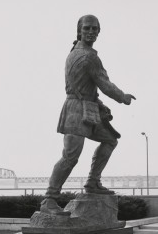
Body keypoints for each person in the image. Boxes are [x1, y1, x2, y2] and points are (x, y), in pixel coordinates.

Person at [41, 15, 136, 215]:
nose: (91, 32)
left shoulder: (75, 51)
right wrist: (123, 97)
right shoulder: (89, 56)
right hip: (76, 110)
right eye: (87, 28)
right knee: (70, 157)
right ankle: (49, 199)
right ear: (79, 30)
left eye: (95, 29)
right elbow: (104, 83)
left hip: (87, 108)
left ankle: (93, 182)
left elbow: (90, 86)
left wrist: (98, 102)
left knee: (110, 140)